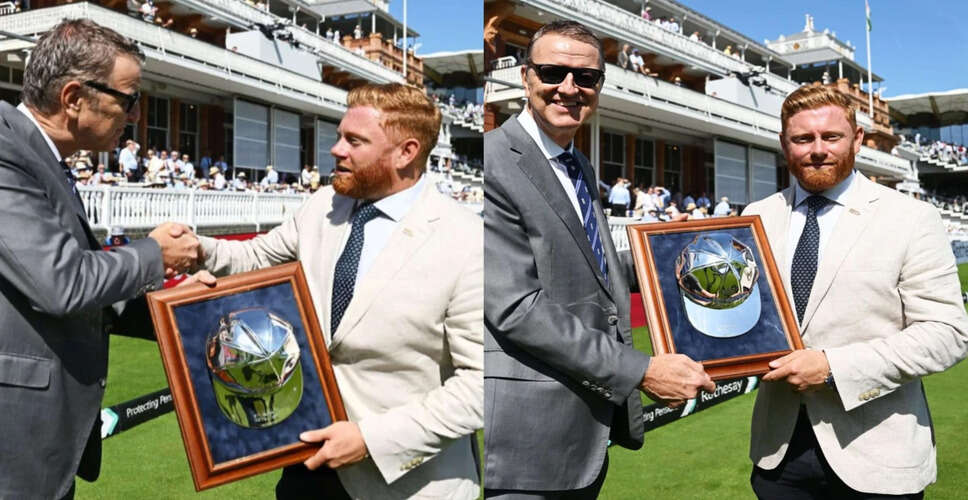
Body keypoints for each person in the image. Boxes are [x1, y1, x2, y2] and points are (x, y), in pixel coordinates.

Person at [198, 83, 482, 499]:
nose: (335, 150)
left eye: (354, 141)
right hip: (305, 463)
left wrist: (371, 439)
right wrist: (194, 250)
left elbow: (479, 385)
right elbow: (256, 258)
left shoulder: (466, 239)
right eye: (338, 136)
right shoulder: (322, 206)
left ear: (406, 152)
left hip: (406, 482)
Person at [483, 20, 714, 498]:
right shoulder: (493, 161)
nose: (569, 88)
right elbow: (516, 308)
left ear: (599, 87)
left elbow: (590, 266)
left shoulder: (579, 164)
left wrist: (673, 258)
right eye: (552, 72)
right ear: (526, 77)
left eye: (585, 78)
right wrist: (643, 371)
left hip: (584, 429)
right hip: (529, 437)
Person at [0, 19, 200, 499]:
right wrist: (156, 253)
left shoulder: (40, 157)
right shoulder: (7, 151)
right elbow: (63, 283)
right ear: (73, 98)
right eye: (128, 100)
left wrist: (170, 311)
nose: (134, 116)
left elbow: (80, 289)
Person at [744, 84, 968, 499]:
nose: (817, 150)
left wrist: (832, 366)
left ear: (858, 140)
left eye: (831, 137)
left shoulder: (911, 218)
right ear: (783, 143)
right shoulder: (756, 216)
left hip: (878, 453)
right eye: (802, 138)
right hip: (779, 454)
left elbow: (947, 333)